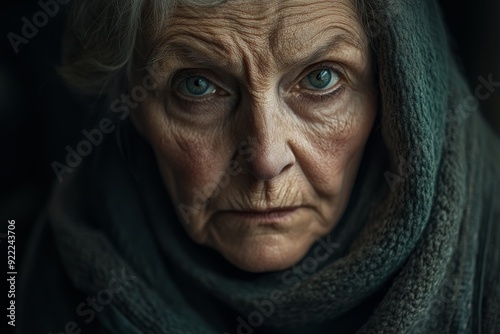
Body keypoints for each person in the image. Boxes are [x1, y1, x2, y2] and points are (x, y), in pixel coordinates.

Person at [17, 0, 500, 333]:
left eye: (321, 78)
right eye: (198, 87)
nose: (266, 159)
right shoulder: (30, 279)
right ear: (134, 105)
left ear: (398, 93)